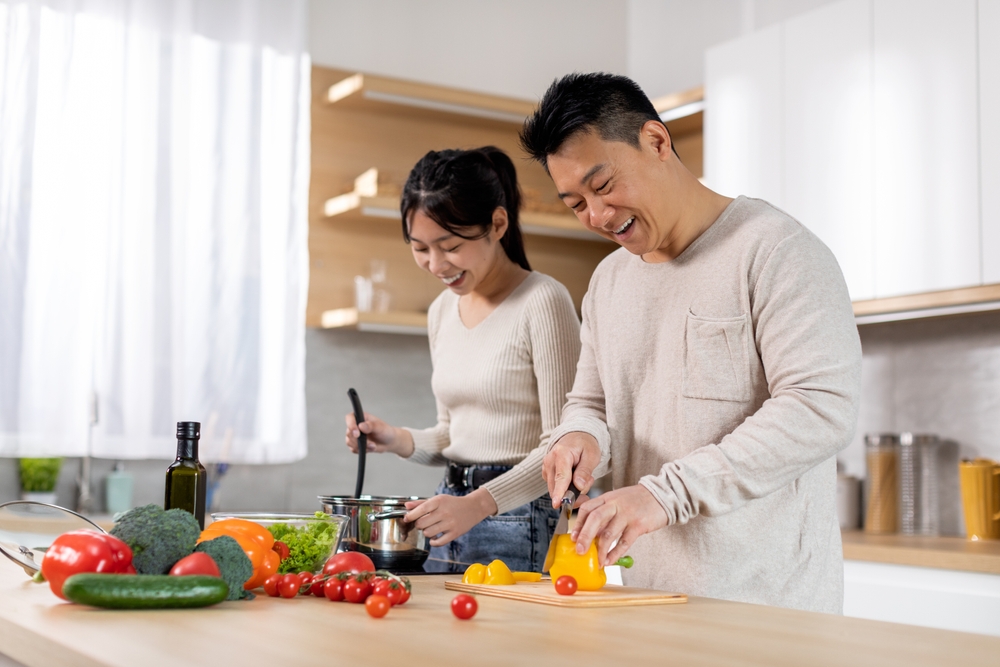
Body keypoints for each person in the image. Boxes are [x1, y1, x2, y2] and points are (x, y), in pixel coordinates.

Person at [520, 73, 862, 613]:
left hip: (768, 609)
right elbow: (590, 404)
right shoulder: (609, 282)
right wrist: (580, 438)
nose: (598, 217)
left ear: (656, 142)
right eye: (576, 203)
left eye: (604, 185)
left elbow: (821, 407)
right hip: (649, 601)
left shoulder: (775, 250)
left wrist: (664, 493)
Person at [345, 146, 581, 573]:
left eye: (449, 246)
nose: (435, 264)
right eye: (420, 248)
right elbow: (454, 433)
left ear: (497, 223)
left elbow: (563, 449)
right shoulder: (440, 311)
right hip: (451, 510)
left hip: (519, 516)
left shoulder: (543, 301)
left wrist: (479, 503)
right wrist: (395, 438)